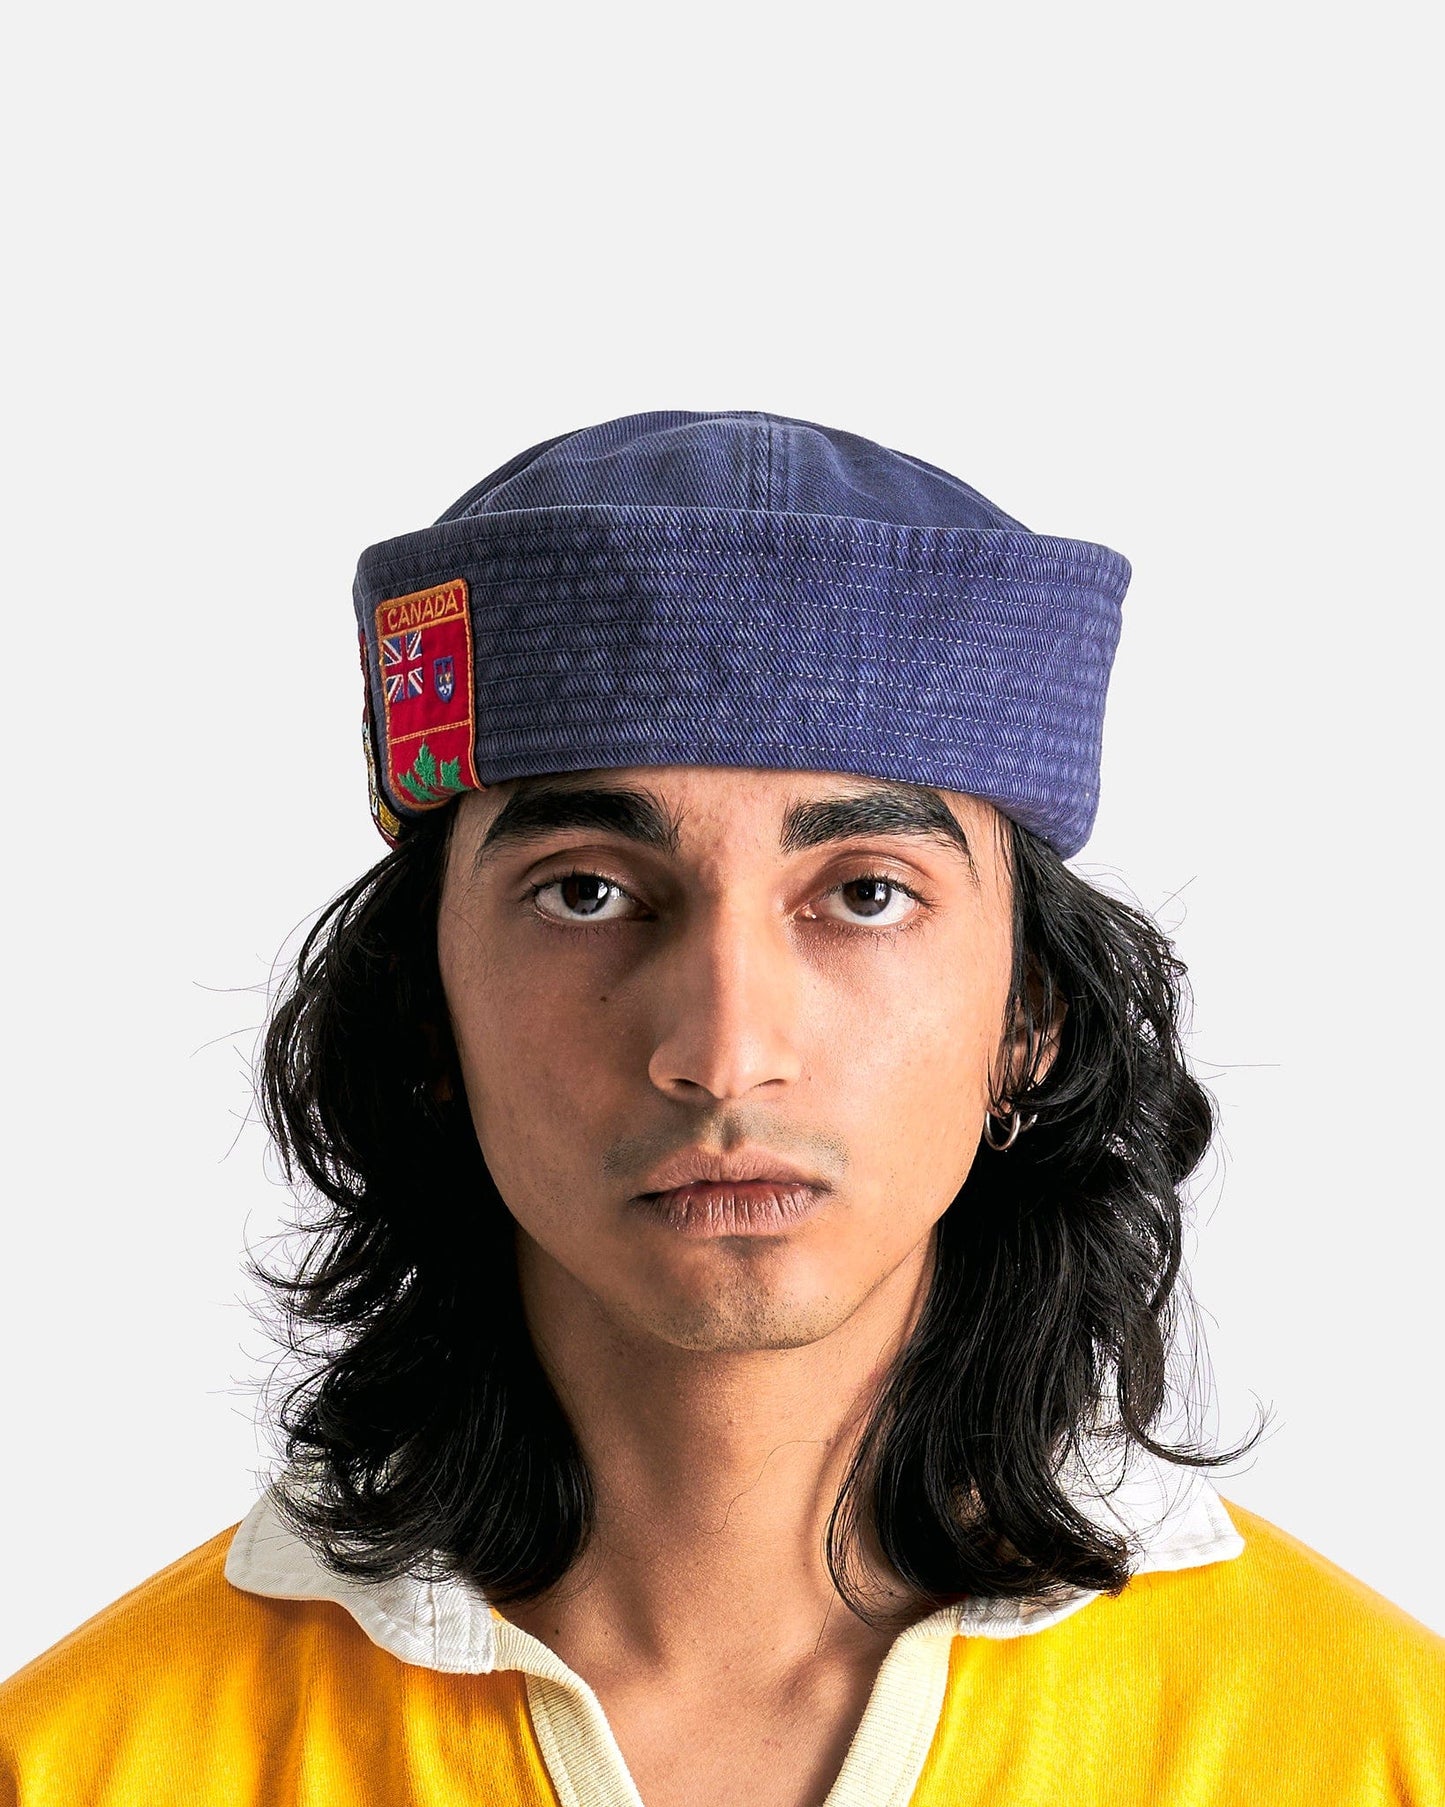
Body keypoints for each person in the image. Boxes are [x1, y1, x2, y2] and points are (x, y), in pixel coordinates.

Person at [2, 410, 1441, 1806]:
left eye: (864, 895)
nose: (725, 1051)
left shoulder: (1378, 1752)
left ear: (1030, 1019)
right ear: (426, 1008)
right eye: (585, 892)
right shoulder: (80, 1768)